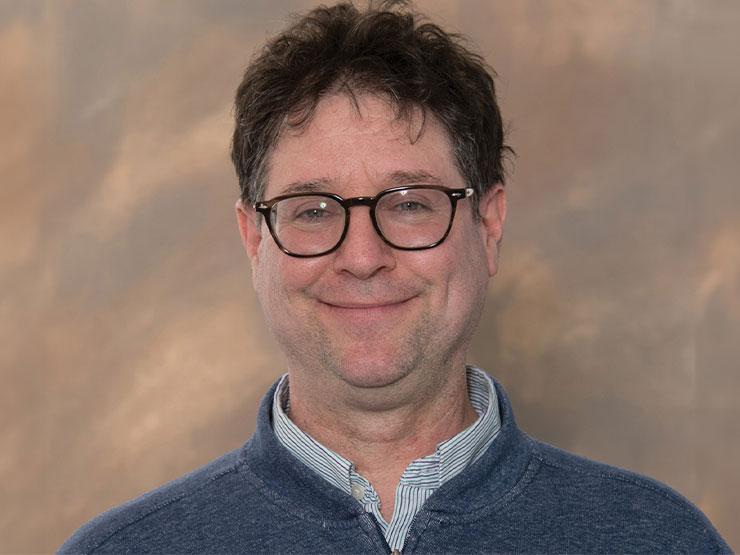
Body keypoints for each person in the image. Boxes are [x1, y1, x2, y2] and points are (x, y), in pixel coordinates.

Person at [60, 2, 730, 553]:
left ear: (488, 225)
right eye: (314, 209)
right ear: (253, 238)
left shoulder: (662, 539)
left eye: (409, 203)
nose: (361, 256)